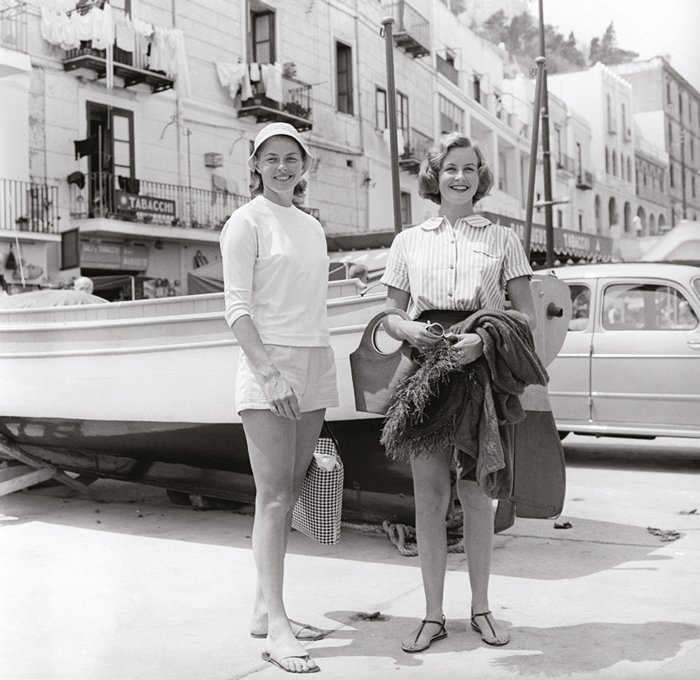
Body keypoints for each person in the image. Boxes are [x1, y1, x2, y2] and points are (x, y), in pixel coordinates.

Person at [380, 132, 537, 653]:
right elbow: (390, 314)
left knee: (475, 494)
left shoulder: (504, 239)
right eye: (450, 168)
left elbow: (526, 315)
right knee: (429, 497)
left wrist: (483, 340)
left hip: (479, 372)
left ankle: (481, 610)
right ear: (435, 175)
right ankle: (432, 615)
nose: (460, 177)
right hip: (425, 372)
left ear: (480, 177)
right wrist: (407, 328)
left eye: (470, 168)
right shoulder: (408, 241)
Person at [219, 122, 338, 674]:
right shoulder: (245, 222)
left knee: (290, 493)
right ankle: (279, 629)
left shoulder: (312, 226)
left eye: (292, 157)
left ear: (304, 164)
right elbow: (237, 308)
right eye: (272, 158)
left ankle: (264, 609)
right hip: (271, 365)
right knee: (272, 497)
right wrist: (269, 375)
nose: (283, 166)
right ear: (256, 165)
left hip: (316, 358)